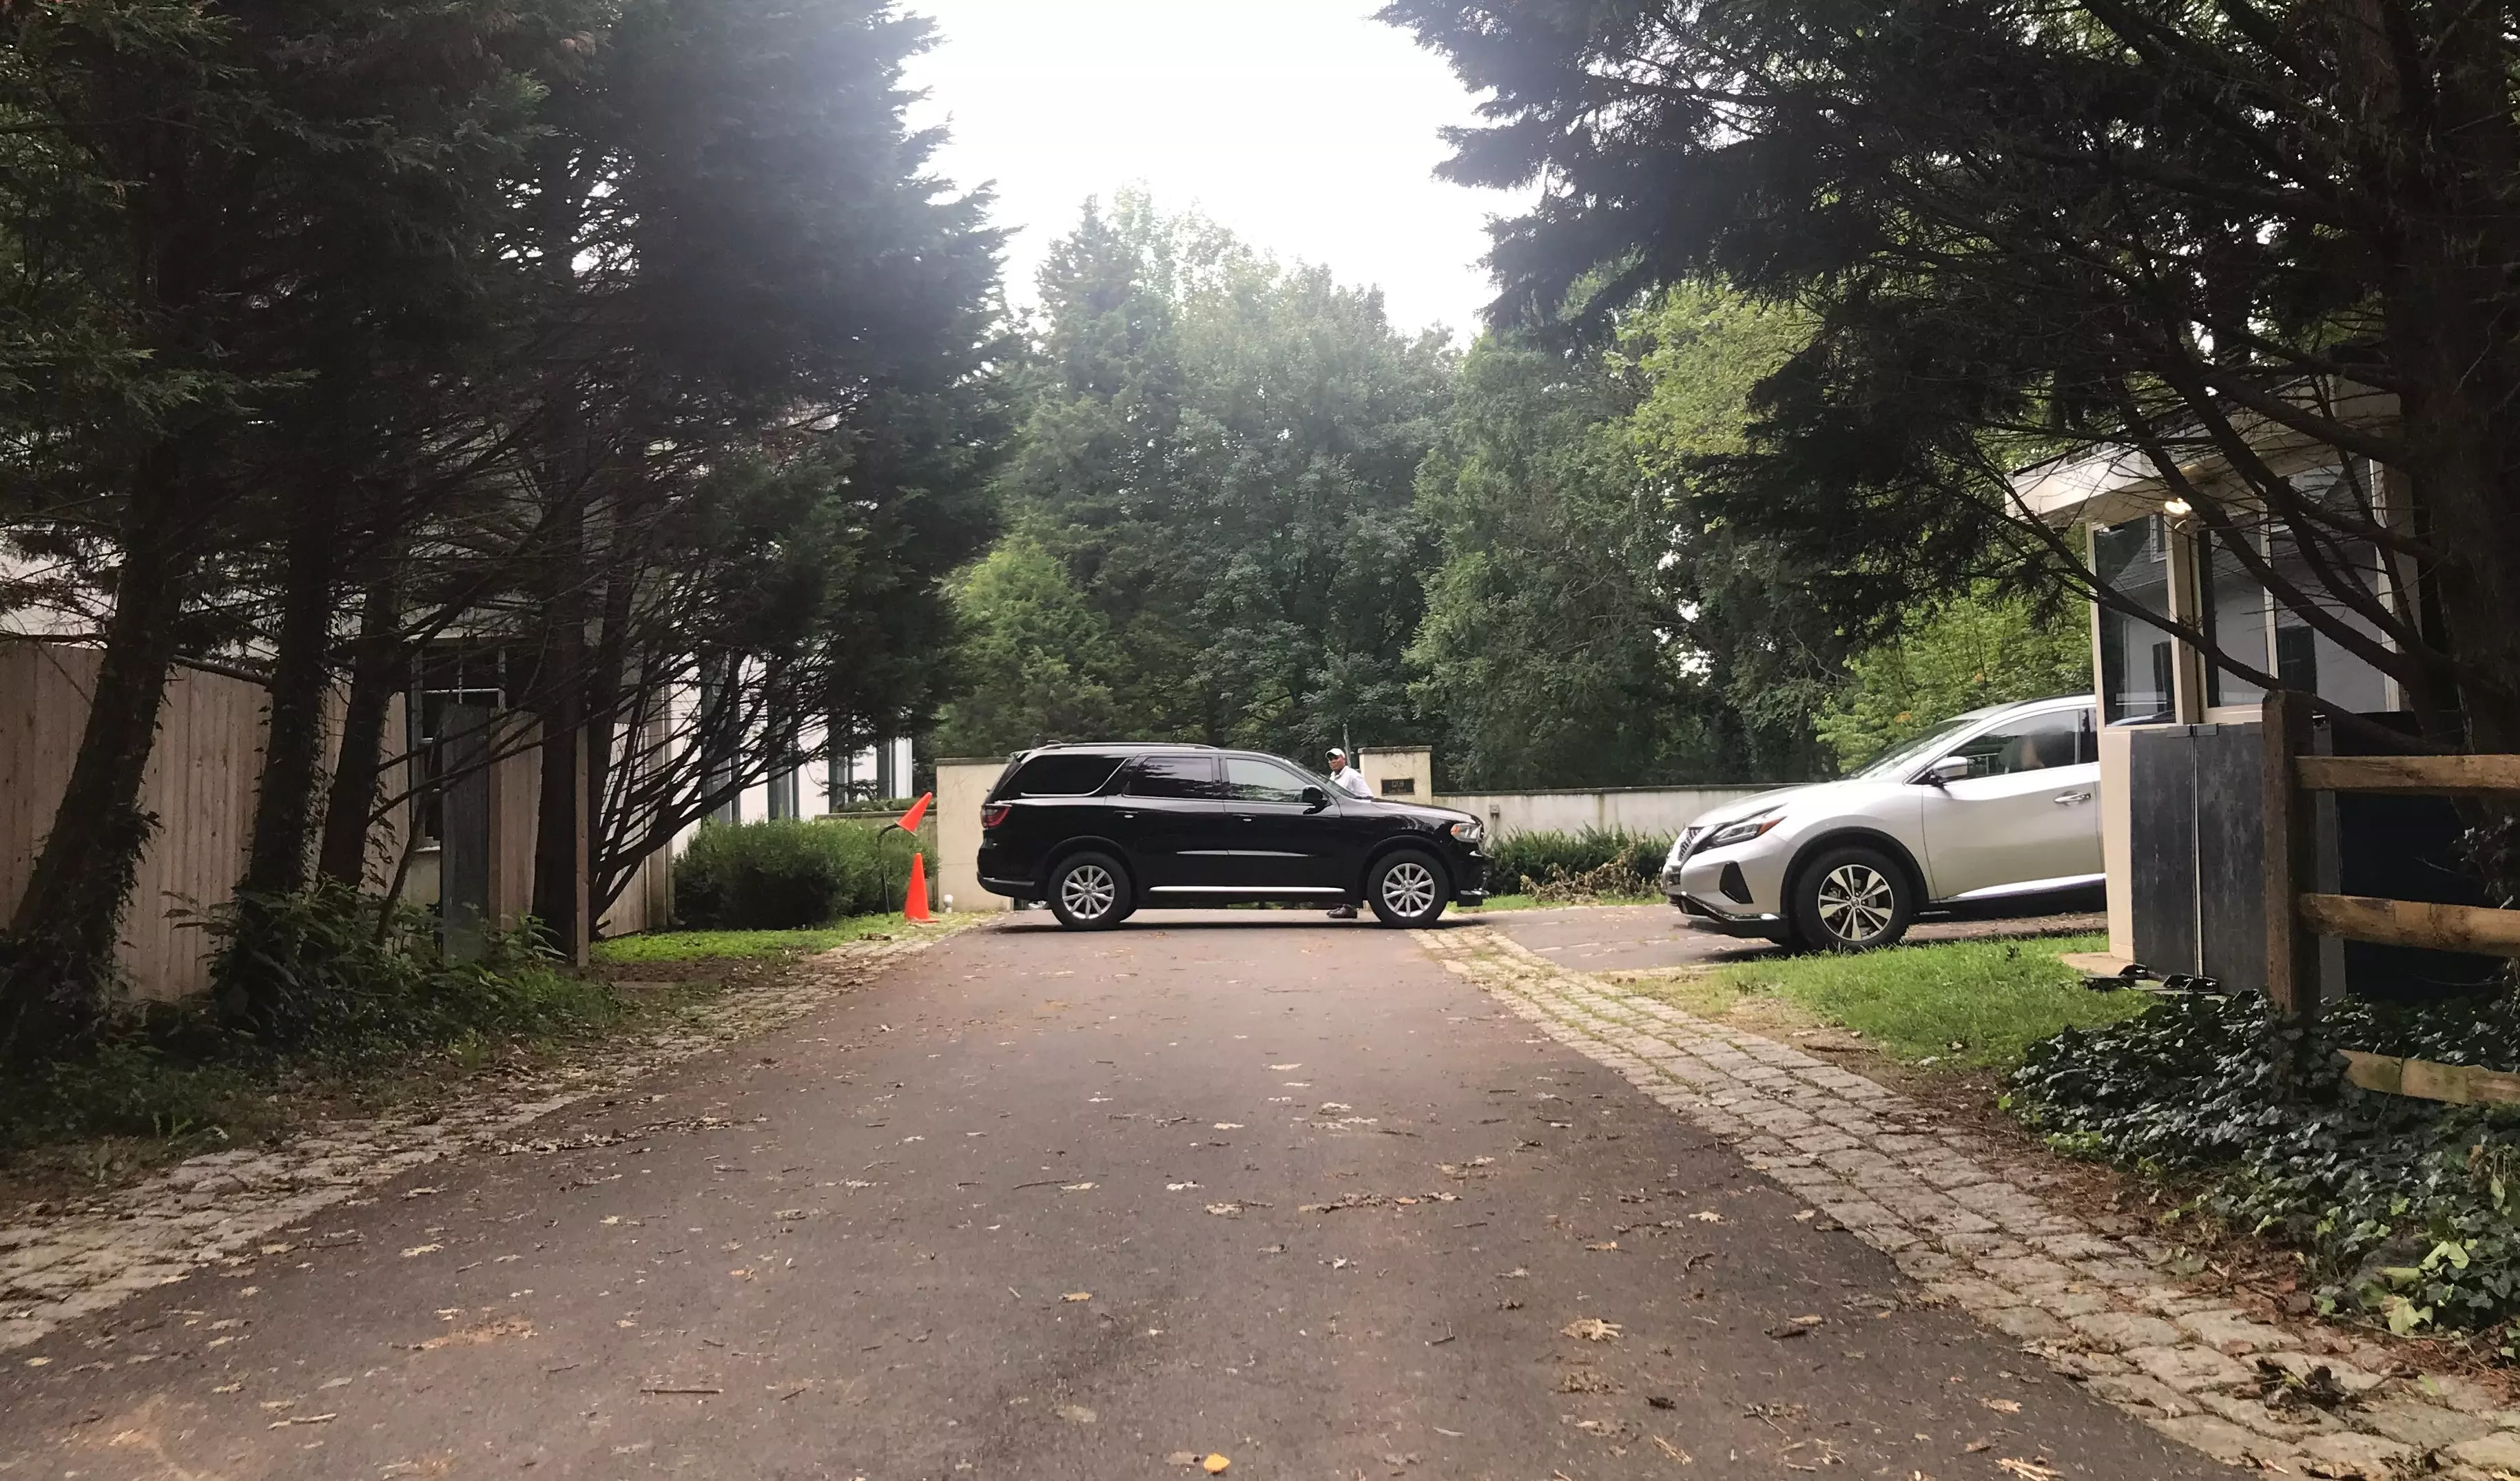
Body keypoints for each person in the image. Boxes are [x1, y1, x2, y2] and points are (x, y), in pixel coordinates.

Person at [1325, 748, 1373, 918]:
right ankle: (1342, 904)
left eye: (1336, 758)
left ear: (1343, 759)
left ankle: (1350, 906)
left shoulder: (1352, 776)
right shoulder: (1332, 778)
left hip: (1352, 825)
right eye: (1330, 759)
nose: (1332, 761)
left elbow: (1367, 796)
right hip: (1338, 826)